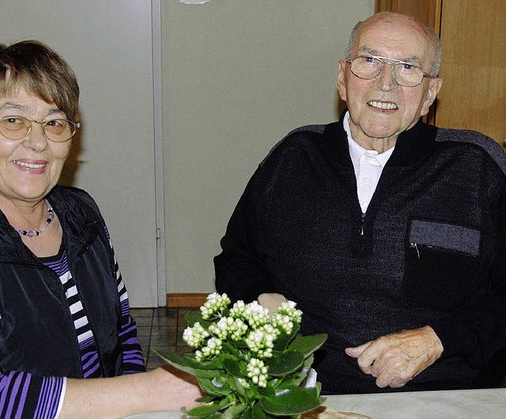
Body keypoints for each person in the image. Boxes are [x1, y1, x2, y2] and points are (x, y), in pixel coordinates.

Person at [0, 40, 200, 418]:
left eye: (55, 122)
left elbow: (122, 331)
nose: (38, 141)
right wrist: (154, 391)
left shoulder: (81, 214)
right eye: (13, 120)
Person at [214, 11, 506, 394]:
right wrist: (261, 298)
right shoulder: (293, 158)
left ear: (430, 94)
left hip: (442, 391)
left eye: (407, 67)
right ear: (342, 78)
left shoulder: (476, 167)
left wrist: (438, 340)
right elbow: (237, 258)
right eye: (369, 61)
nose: (386, 84)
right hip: (306, 394)